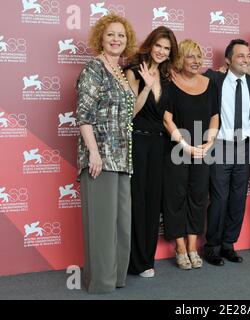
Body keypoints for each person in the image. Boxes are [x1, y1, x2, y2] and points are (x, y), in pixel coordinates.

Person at [76, 14, 136, 293]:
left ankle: (117, 278)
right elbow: (84, 116)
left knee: (121, 223)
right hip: (100, 158)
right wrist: (94, 154)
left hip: (123, 157)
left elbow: (127, 115)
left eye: (121, 35)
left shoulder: (121, 72)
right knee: (101, 225)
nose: (116, 39)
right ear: (101, 37)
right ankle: (101, 283)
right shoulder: (94, 69)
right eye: (111, 34)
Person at [125, 26, 178, 278]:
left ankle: (147, 260)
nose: (161, 51)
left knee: (152, 202)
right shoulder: (134, 71)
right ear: (150, 44)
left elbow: (167, 117)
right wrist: (146, 86)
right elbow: (130, 112)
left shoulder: (168, 79)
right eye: (158, 45)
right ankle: (133, 261)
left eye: (166, 48)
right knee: (136, 201)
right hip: (137, 141)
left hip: (159, 145)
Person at [163, 39, 219, 270]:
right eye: (190, 57)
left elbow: (215, 115)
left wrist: (210, 141)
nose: (196, 61)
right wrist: (185, 145)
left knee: (198, 196)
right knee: (175, 196)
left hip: (203, 150)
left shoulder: (210, 83)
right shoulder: (170, 83)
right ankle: (180, 247)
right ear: (179, 59)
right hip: (177, 148)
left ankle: (193, 246)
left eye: (199, 56)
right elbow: (167, 119)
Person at [202, 39, 250, 266]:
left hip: (245, 145)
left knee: (238, 198)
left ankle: (228, 244)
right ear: (227, 60)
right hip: (221, 145)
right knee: (218, 198)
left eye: (248, 55)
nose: (246, 59)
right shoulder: (214, 79)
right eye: (240, 56)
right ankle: (212, 246)